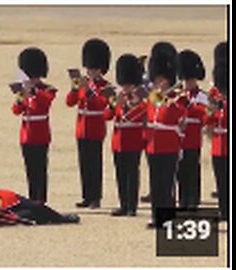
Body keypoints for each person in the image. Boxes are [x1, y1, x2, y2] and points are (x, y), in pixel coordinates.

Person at [66, 38, 112, 209]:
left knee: (95, 163)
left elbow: (101, 104)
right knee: (84, 163)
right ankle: (86, 196)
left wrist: (89, 90)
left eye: (93, 68)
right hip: (82, 128)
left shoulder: (106, 86)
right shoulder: (83, 83)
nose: (90, 71)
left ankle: (96, 197)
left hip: (95, 128)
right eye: (89, 68)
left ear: (101, 69)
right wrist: (74, 88)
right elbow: (70, 102)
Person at [145, 42, 187, 228]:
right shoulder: (154, 97)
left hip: (169, 145)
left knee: (167, 184)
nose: (159, 83)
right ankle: (156, 217)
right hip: (153, 145)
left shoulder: (177, 98)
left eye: (162, 79)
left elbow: (178, 117)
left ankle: (167, 218)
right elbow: (147, 114)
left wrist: (169, 101)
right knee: (156, 185)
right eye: (157, 79)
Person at [11, 47, 57, 203]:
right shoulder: (25, 89)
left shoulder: (47, 89)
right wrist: (21, 97)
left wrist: (34, 92)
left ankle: (41, 200)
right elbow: (16, 110)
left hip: (40, 134)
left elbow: (44, 103)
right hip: (26, 135)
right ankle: (32, 199)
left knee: (41, 170)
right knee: (30, 170)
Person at [106, 54, 147, 217]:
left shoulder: (141, 99)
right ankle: (123, 204)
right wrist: (112, 103)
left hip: (133, 140)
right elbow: (107, 116)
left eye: (128, 84)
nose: (125, 87)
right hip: (118, 141)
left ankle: (132, 206)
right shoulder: (120, 96)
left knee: (131, 174)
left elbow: (132, 116)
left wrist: (127, 105)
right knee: (120, 173)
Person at [175, 49, 207, 208]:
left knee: (192, 170)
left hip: (193, 139)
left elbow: (204, 115)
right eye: (186, 80)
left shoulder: (202, 97)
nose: (188, 83)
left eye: (190, 80)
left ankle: (193, 200)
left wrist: (190, 107)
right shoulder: (179, 95)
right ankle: (183, 200)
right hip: (179, 140)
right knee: (180, 172)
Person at [205, 41, 228, 221]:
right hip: (218, 144)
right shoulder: (215, 93)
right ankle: (223, 211)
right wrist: (211, 112)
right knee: (221, 180)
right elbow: (209, 119)